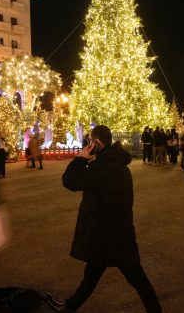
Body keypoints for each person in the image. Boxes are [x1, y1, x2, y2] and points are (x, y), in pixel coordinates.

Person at [46, 125, 162, 313]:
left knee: (136, 278)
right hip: (110, 234)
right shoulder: (115, 165)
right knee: (92, 274)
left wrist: (80, 159)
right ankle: (70, 307)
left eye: (90, 141)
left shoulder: (102, 168)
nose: (88, 144)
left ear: (97, 143)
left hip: (112, 236)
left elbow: (69, 181)